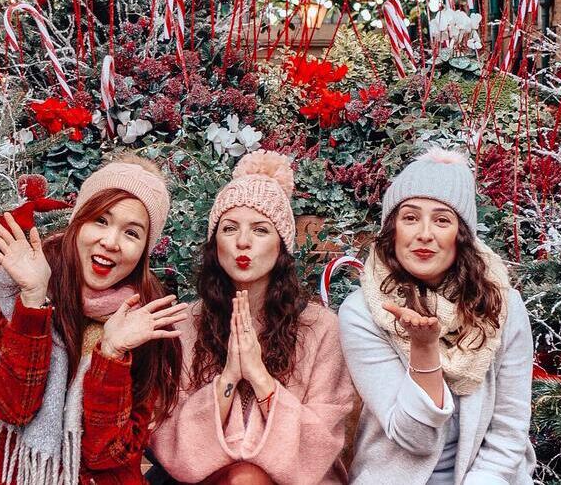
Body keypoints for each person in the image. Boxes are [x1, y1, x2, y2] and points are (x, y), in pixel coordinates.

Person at [0, 153, 188, 485]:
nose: (111, 242)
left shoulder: (146, 318)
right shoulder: (15, 286)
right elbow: (12, 409)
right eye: (101, 220)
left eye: (132, 233)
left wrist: (112, 355)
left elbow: (104, 454)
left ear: (145, 249)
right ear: (78, 221)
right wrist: (32, 304)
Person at [151, 150, 356, 485]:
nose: (242, 242)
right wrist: (229, 377)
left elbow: (319, 443)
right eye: (230, 228)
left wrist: (260, 378)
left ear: (281, 247)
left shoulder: (321, 329)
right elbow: (169, 437)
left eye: (260, 230)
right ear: (214, 243)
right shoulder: (184, 325)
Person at [338, 148, 535, 485]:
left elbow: (508, 431)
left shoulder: (504, 306)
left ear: (461, 235)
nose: (424, 234)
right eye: (410, 217)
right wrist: (424, 351)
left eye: (442, 220)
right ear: (393, 229)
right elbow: (415, 438)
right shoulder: (362, 313)